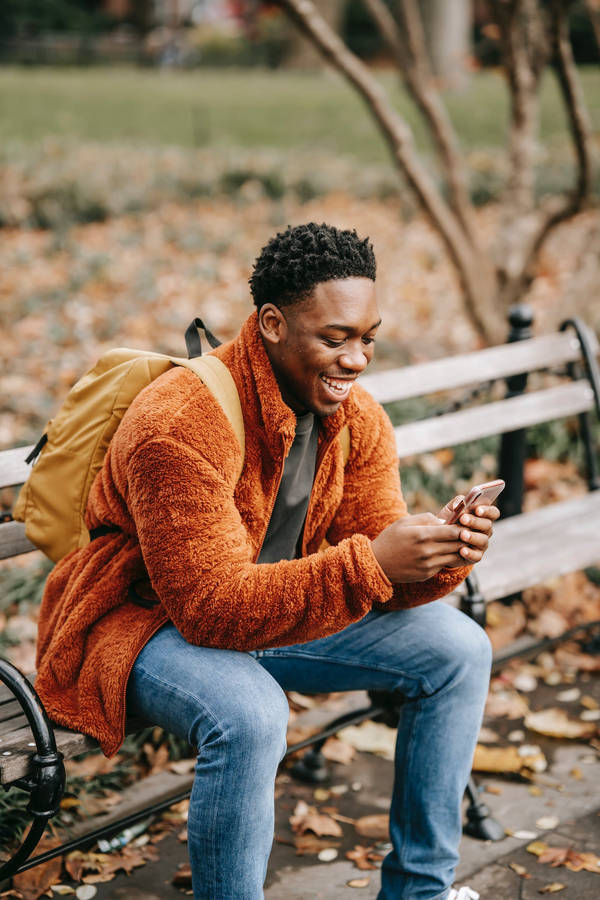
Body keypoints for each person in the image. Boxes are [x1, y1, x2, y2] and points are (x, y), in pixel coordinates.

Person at [35, 223, 497, 900]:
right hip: (141, 625)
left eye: (367, 337)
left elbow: (377, 561)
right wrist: (371, 563)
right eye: (334, 338)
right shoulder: (179, 422)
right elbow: (208, 609)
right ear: (274, 324)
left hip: (272, 611)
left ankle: (421, 892)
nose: (356, 359)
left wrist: (438, 555)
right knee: (250, 712)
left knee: (459, 648)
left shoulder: (356, 417)